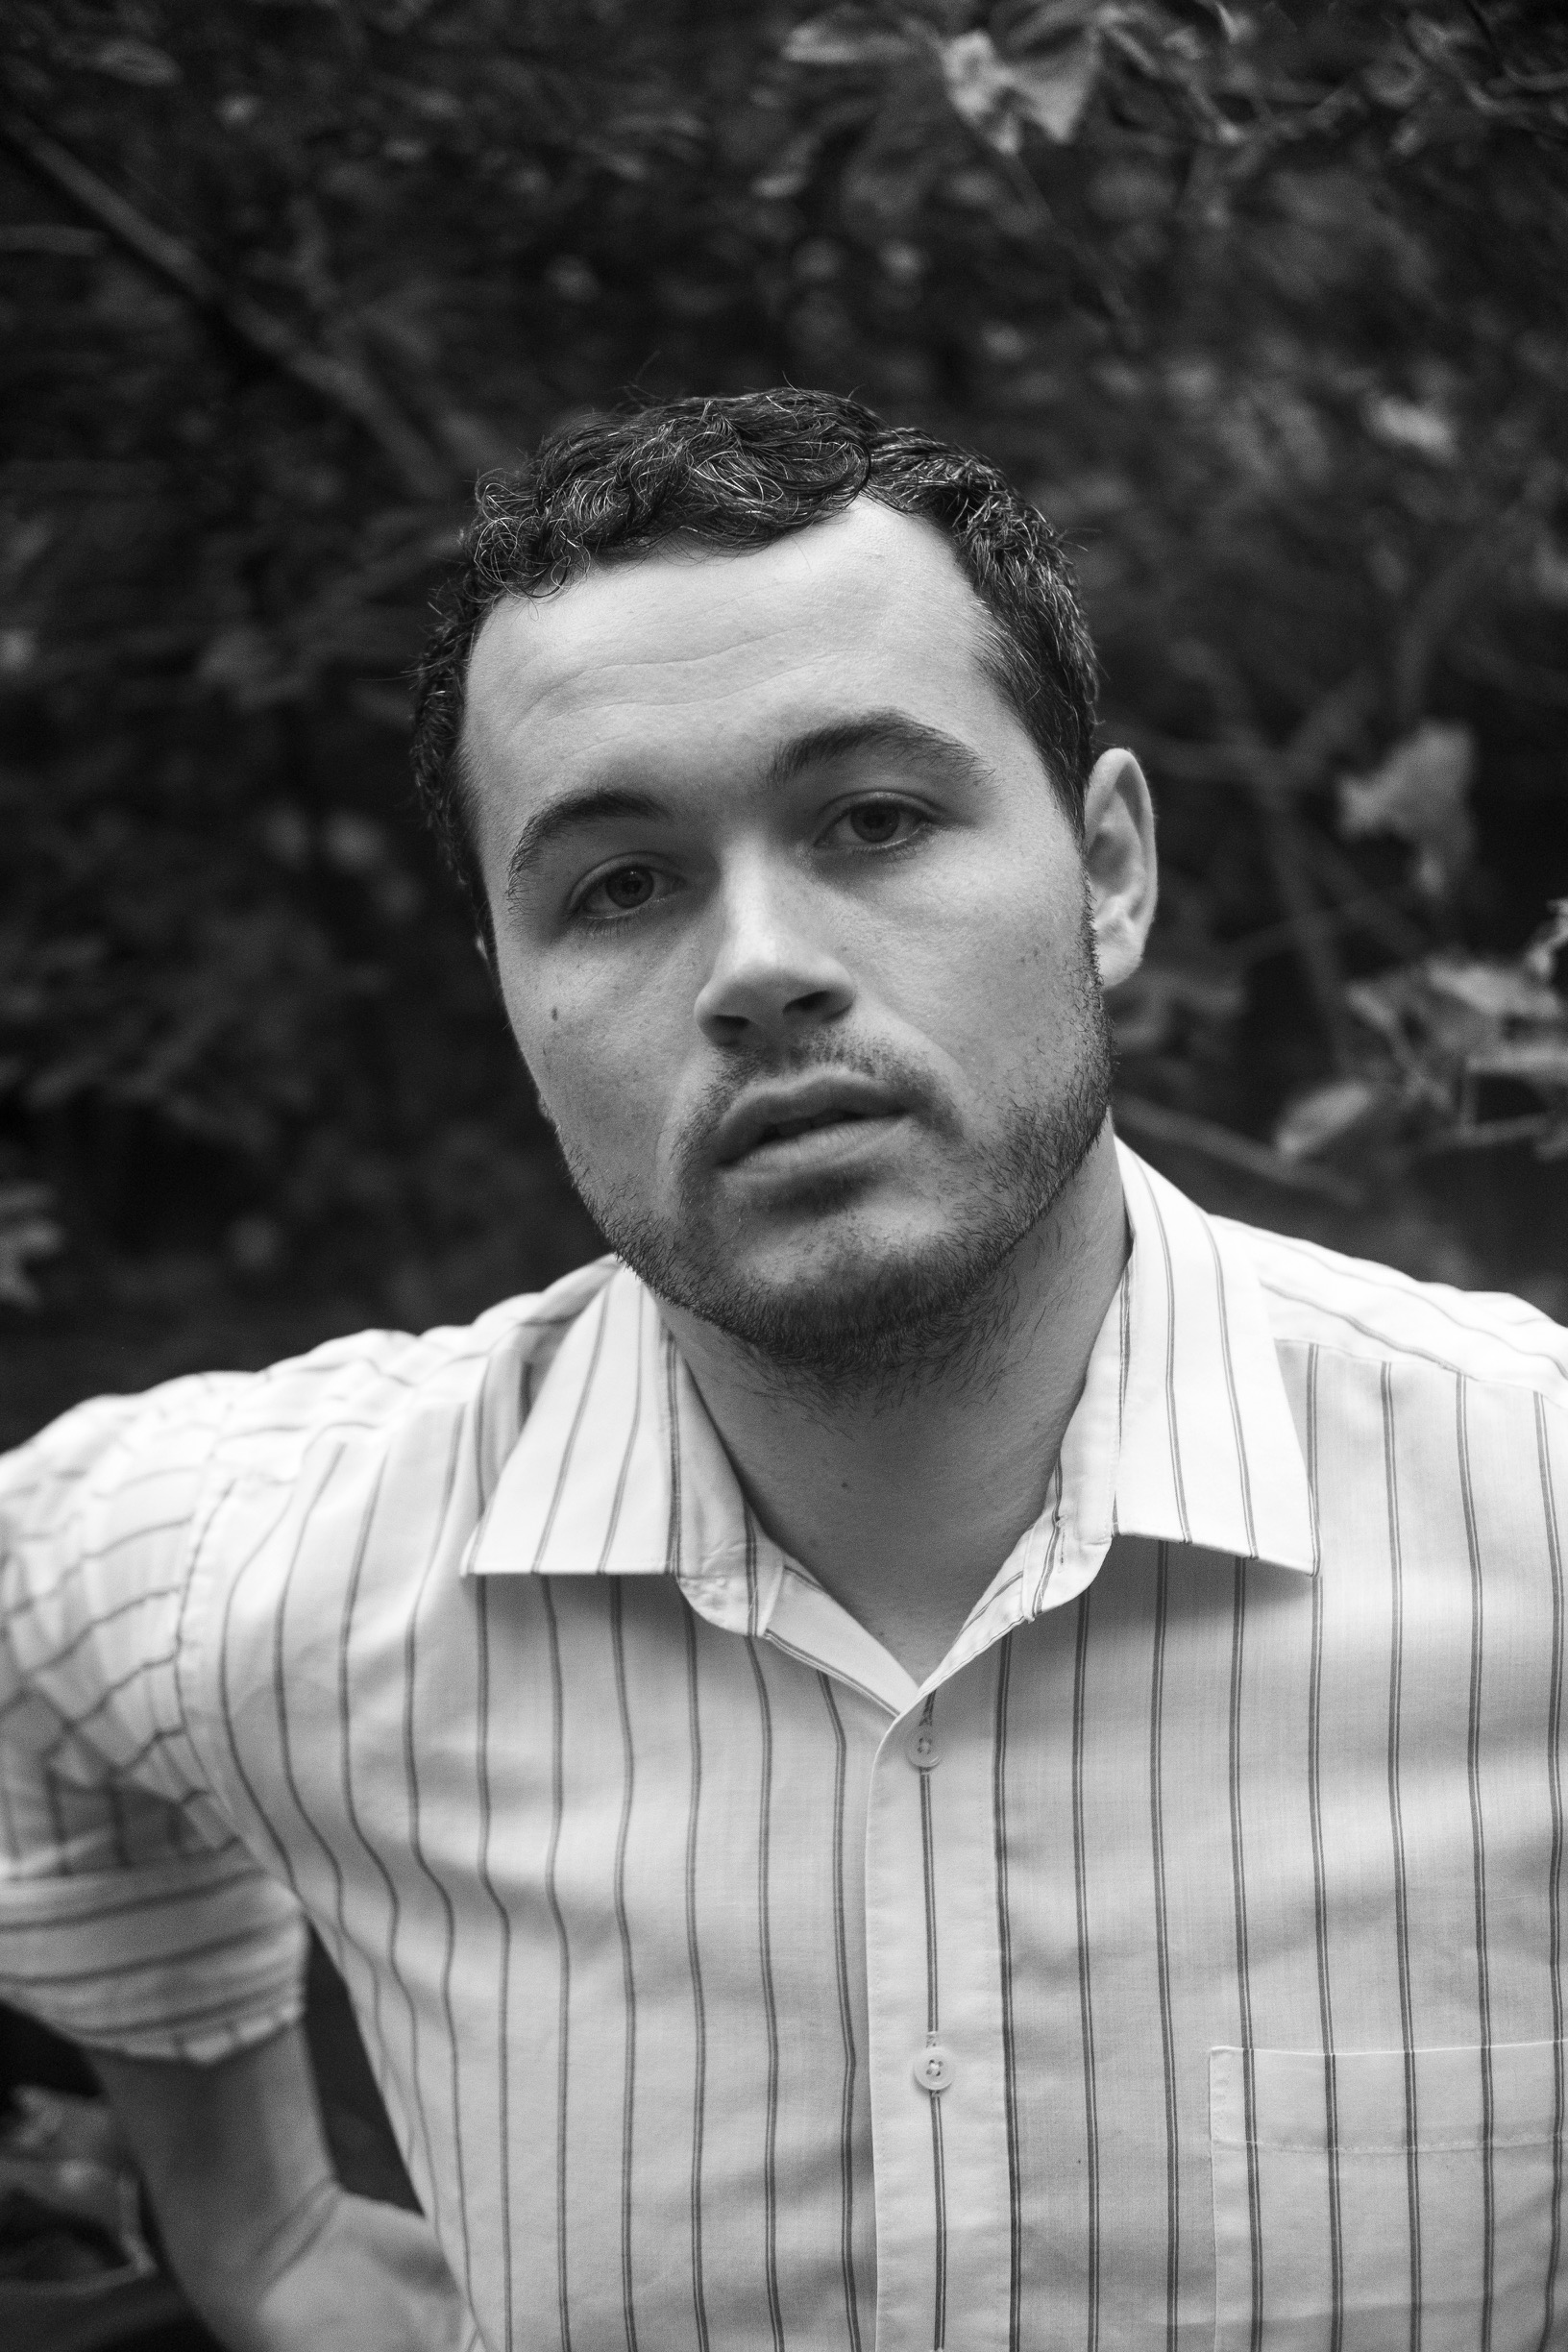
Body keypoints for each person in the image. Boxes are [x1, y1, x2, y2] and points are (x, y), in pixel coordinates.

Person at [1, 388, 1565, 2352]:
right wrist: (259, 2231)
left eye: (874, 821)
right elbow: (40, 1644)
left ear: (1109, 871)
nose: (758, 965)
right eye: (620, 886)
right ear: (510, 989)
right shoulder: (281, 1569)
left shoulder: (1540, 1524)